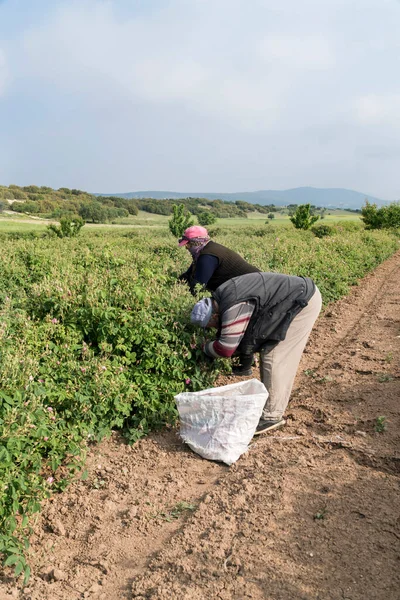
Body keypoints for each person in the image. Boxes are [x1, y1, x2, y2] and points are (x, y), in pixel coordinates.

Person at [190, 271, 322, 435]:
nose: (212, 328)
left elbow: (226, 348)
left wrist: (204, 348)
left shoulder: (233, 306)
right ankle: (269, 405)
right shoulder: (222, 296)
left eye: (210, 325)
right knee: (264, 346)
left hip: (301, 303)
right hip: (292, 296)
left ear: (215, 315)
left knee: (273, 356)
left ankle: (271, 416)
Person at [178, 225, 260, 375]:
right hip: (244, 288)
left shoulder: (208, 256)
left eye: (188, 244)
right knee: (239, 323)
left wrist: (184, 301)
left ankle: (244, 364)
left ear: (196, 243)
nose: (187, 248)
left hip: (251, 290)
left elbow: (198, 286)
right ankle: (238, 357)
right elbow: (189, 275)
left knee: (243, 324)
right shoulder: (204, 252)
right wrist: (175, 283)